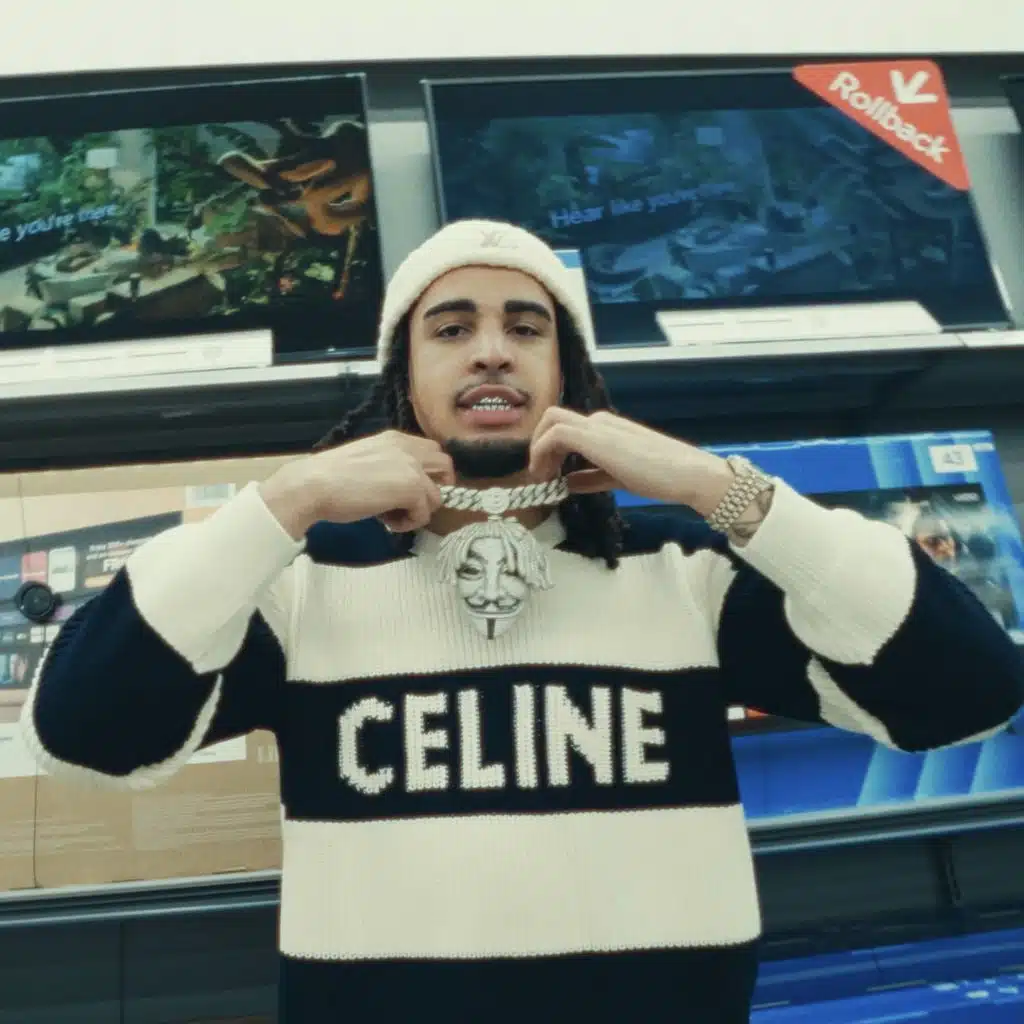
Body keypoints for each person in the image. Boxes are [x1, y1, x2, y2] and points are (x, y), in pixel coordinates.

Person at [19, 219, 1024, 1023]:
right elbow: (81, 735)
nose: (492, 350)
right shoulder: (302, 584)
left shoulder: (688, 572)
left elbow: (968, 693)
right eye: (451, 328)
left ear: (568, 373)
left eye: (527, 327)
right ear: (402, 375)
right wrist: (285, 501)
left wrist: (720, 488)